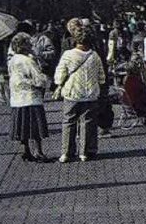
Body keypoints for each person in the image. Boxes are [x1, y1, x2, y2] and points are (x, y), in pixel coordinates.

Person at [54, 20, 106, 162]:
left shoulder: (68, 55)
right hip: (90, 94)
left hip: (72, 93)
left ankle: (67, 152)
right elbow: (101, 77)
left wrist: (59, 83)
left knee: (68, 121)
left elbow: (59, 76)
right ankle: (84, 152)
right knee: (87, 122)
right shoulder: (94, 56)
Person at [7, 32, 53, 162]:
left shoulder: (13, 60)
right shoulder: (28, 60)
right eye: (28, 43)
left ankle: (26, 150)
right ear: (24, 45)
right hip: (30, 96)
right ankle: (38, 152)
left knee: (23, 126)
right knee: (35, 127)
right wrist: (45, 79)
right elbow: (38, 78)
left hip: (17, 97)